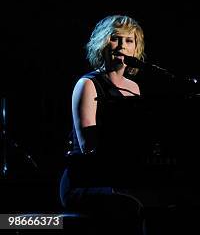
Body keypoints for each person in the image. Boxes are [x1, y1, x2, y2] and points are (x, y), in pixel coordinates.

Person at [59, 15, 146, 234]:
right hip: (84, 182)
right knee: (134, 204)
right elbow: (89, 147)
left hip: (117, 177)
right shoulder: (88, 84)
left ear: (136, 48)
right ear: (103, 43)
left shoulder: (134, 88)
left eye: (129, 41)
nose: (122, 46)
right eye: (115, 39)